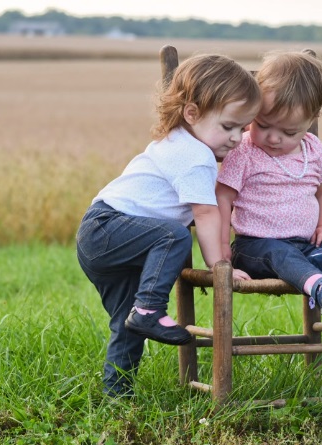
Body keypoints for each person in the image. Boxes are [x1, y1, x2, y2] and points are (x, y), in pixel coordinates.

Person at [76, 54, 260, 397]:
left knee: (125, 323)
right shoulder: (196, 157)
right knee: (173, 235)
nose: (236, 138)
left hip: (100, 235)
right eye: (227, 126)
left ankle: (117, 395)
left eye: (243, 128)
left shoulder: (175, 139)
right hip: (109, 227)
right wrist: (219, 266)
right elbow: (204, 215)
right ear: (192, 113)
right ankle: (149, 309)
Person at [216, 50, 322, 317]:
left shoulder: (315, 150)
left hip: (305, 243)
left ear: (311, 119)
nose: (274, 138)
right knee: (280, 254)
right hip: (256, 247)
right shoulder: (244, 150)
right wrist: (220, 252)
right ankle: (318, 285)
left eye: (289, 132)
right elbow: (222, 199)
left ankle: (316, 261)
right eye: (263, 125)